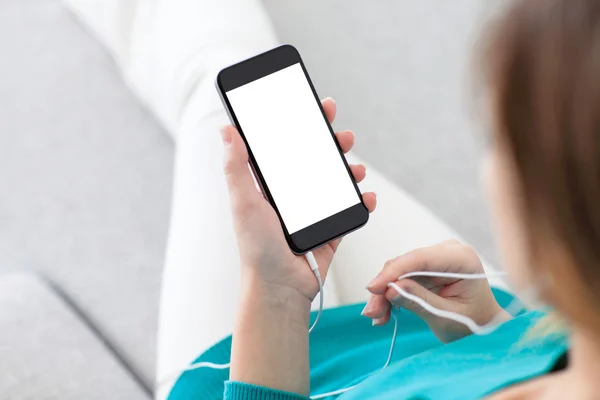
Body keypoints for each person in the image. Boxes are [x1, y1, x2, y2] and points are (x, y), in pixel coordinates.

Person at [156, 0, 600, 398]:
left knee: (219, 94)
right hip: (443, 335)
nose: (489, 174)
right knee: (277, 137)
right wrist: (488, 329)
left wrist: (274, 293)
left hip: (242, 372)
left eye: (501, 143)